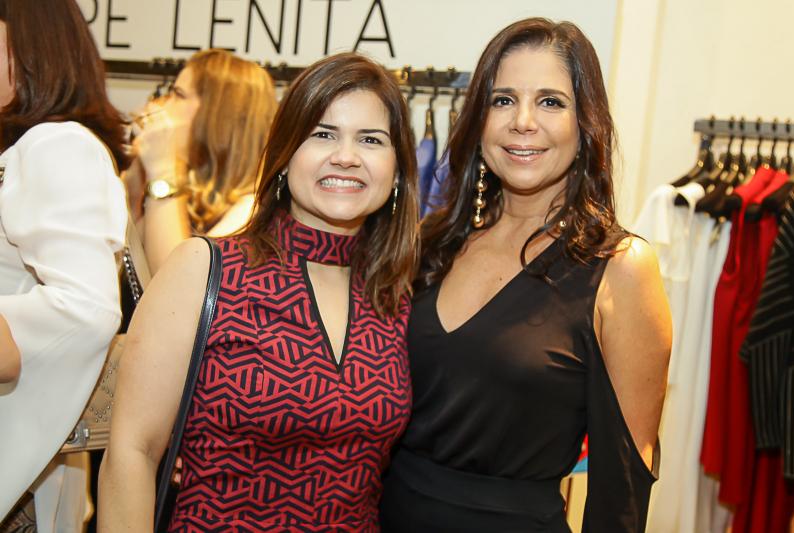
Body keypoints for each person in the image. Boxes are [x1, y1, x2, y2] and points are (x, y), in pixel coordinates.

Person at [99, 52, 419, 531]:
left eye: (370, 139)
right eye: (323, 134)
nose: (346, 156)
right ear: (285, 153)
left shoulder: (397, 294)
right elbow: (133, 452)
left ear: (397, 170)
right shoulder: (206, 268)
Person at [379, 17, 672, 532]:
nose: (523, 121)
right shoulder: (431, 243)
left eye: (551, 102)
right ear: (479, 119)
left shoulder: (618, 268)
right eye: (503, 100)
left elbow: (623, 481)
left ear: (586, 124)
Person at [0, 0, 130, 531]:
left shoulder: (56, 144)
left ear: (32, 49)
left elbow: (86, 309)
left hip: (23, 487)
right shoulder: (26, 149)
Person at [127, 49, 278, 273]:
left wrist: (163, 172)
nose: (161, 104)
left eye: (178, 94)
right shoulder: (185, 194)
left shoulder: (252, 213)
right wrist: (134, 186)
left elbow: (178, 281)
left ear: (219, 117)